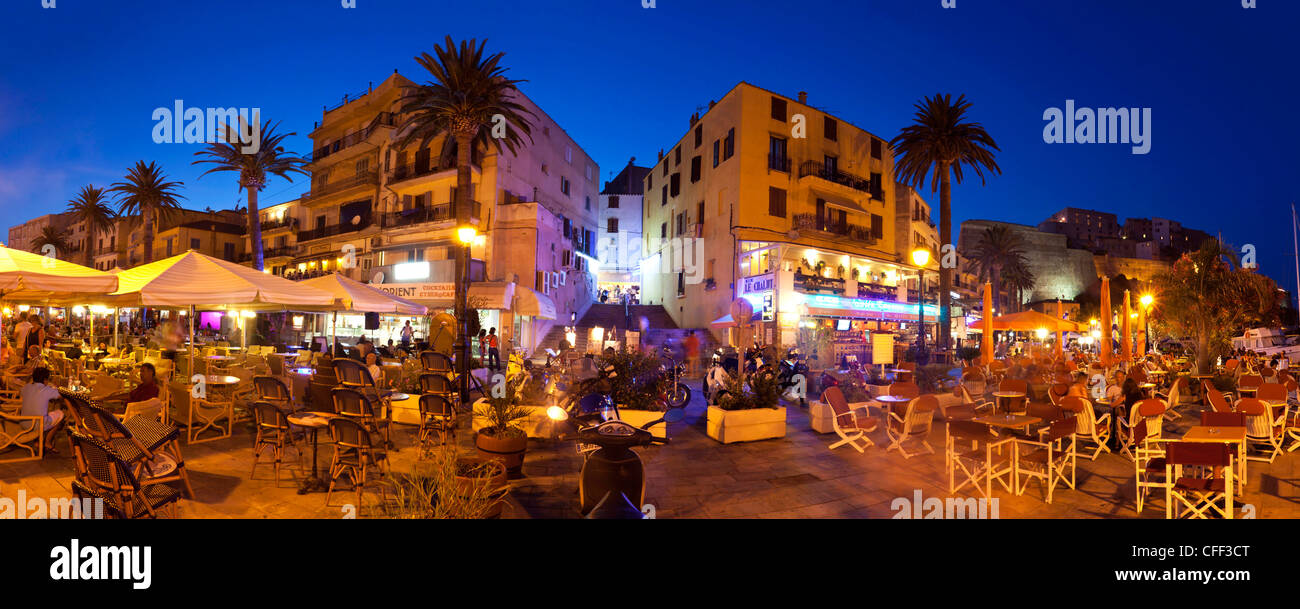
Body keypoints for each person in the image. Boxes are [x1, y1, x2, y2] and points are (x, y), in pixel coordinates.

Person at [20, 367, 65, 453]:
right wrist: (57, 386)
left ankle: (37, 441)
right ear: (45, 379)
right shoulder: (46, 389)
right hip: (37, 425)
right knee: (60, 414)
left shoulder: (26, 387)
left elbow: (23, 393)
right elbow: (61, 395)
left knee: (41, 411)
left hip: (24, 423)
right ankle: (47, 442)